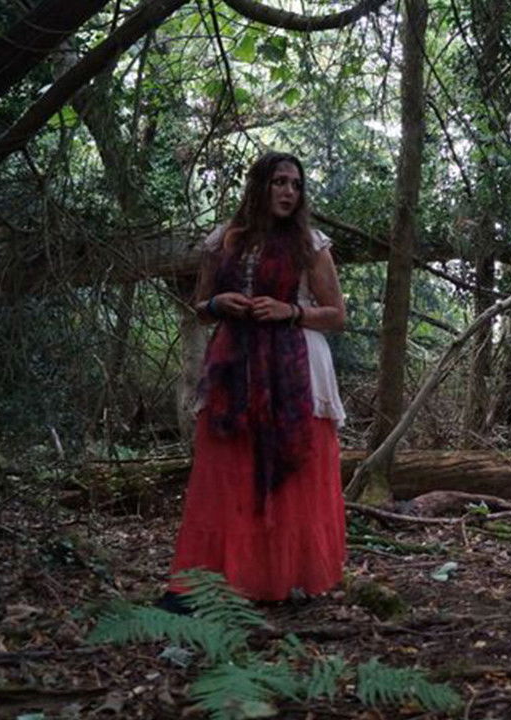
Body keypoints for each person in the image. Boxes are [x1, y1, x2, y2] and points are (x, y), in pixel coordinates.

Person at [160, 151, 347, 609]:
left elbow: (337, 315)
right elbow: (200, 310)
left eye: (296, 185)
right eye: (279, 182)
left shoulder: (310, 244)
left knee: (291, 471)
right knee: (227, 471)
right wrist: (217, 304)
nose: (289, 192)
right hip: (233, 366)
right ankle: (210, 584)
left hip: (296, 369)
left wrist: (291, 310)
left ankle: (284, 580)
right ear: (259, 185)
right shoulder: (225, 240)